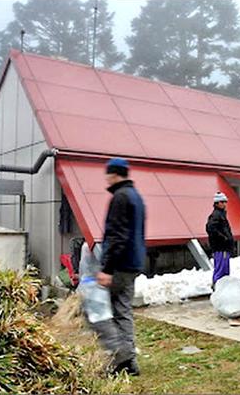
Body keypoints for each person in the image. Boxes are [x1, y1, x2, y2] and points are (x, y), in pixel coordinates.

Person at [95, 158, 146, 376]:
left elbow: (117, 236)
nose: (106, 178)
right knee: (123, 311)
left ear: (115, 174)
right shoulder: (136, 197)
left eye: (108, 173)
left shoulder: (120, 197)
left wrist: (106, 268)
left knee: (100, 312)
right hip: (133, 262)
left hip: (120, 265)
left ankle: (120, 358)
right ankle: (129, 362)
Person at [206, 192, 234, 285]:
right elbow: (210, 228)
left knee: (223, 269)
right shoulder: (216, 215)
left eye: (225, 202)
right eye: (222, 202)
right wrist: (224, 238)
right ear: (217, 203)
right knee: (221, 269)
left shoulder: (220, 214)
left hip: (223, 247)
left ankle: (220, 287)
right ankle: (217, 286)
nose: (224, 204)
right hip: (221, 247)